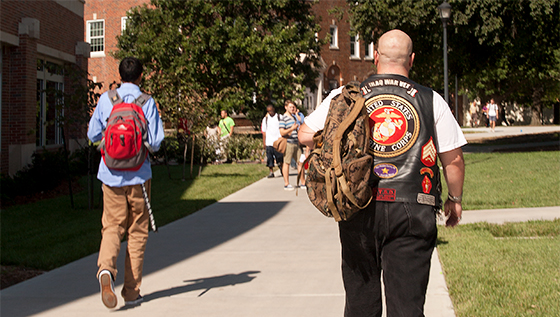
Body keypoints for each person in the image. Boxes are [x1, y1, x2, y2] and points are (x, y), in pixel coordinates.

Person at [299, 29, 466, 316]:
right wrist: (455, 197)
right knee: (407, 308)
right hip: (414, 206)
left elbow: (304, 134)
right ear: (411, 60)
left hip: (358, 204)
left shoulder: (346, 96)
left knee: (360, 305)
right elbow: (453, 160)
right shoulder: (431, 100)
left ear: (375, 57)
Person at [87, 57, 164, 309]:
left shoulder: (107, 100)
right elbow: (154, 142)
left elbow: (92, 135)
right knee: (137, 231)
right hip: (139, 176)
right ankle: (131, 291)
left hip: (110, 174)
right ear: (141, 77)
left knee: (111, 226)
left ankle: (106, 270)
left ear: (120, 76)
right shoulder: (147, 102)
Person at [279, 100, 304, 191]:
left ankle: (303, 182)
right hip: (288, 143)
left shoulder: (294, 117)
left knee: (301, 162)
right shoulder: (283, 118)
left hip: (296, 142)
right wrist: (291, 128)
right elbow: (282, 132)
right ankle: (287, 183)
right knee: (287, 163)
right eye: (290, 107)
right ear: (286, 107)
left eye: (293, 107)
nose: (292, 109)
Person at [261, 105, 284, 178]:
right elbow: (264, 132)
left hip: (278, 141)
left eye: (271, 110)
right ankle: (271, 172)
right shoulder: (265, 119)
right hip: (269, 142)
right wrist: (264, 142)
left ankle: (281, 168)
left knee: (280, 157)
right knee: (269, 158)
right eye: (268, 111)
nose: (270, 112)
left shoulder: (279, 117)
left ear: (274, 109)